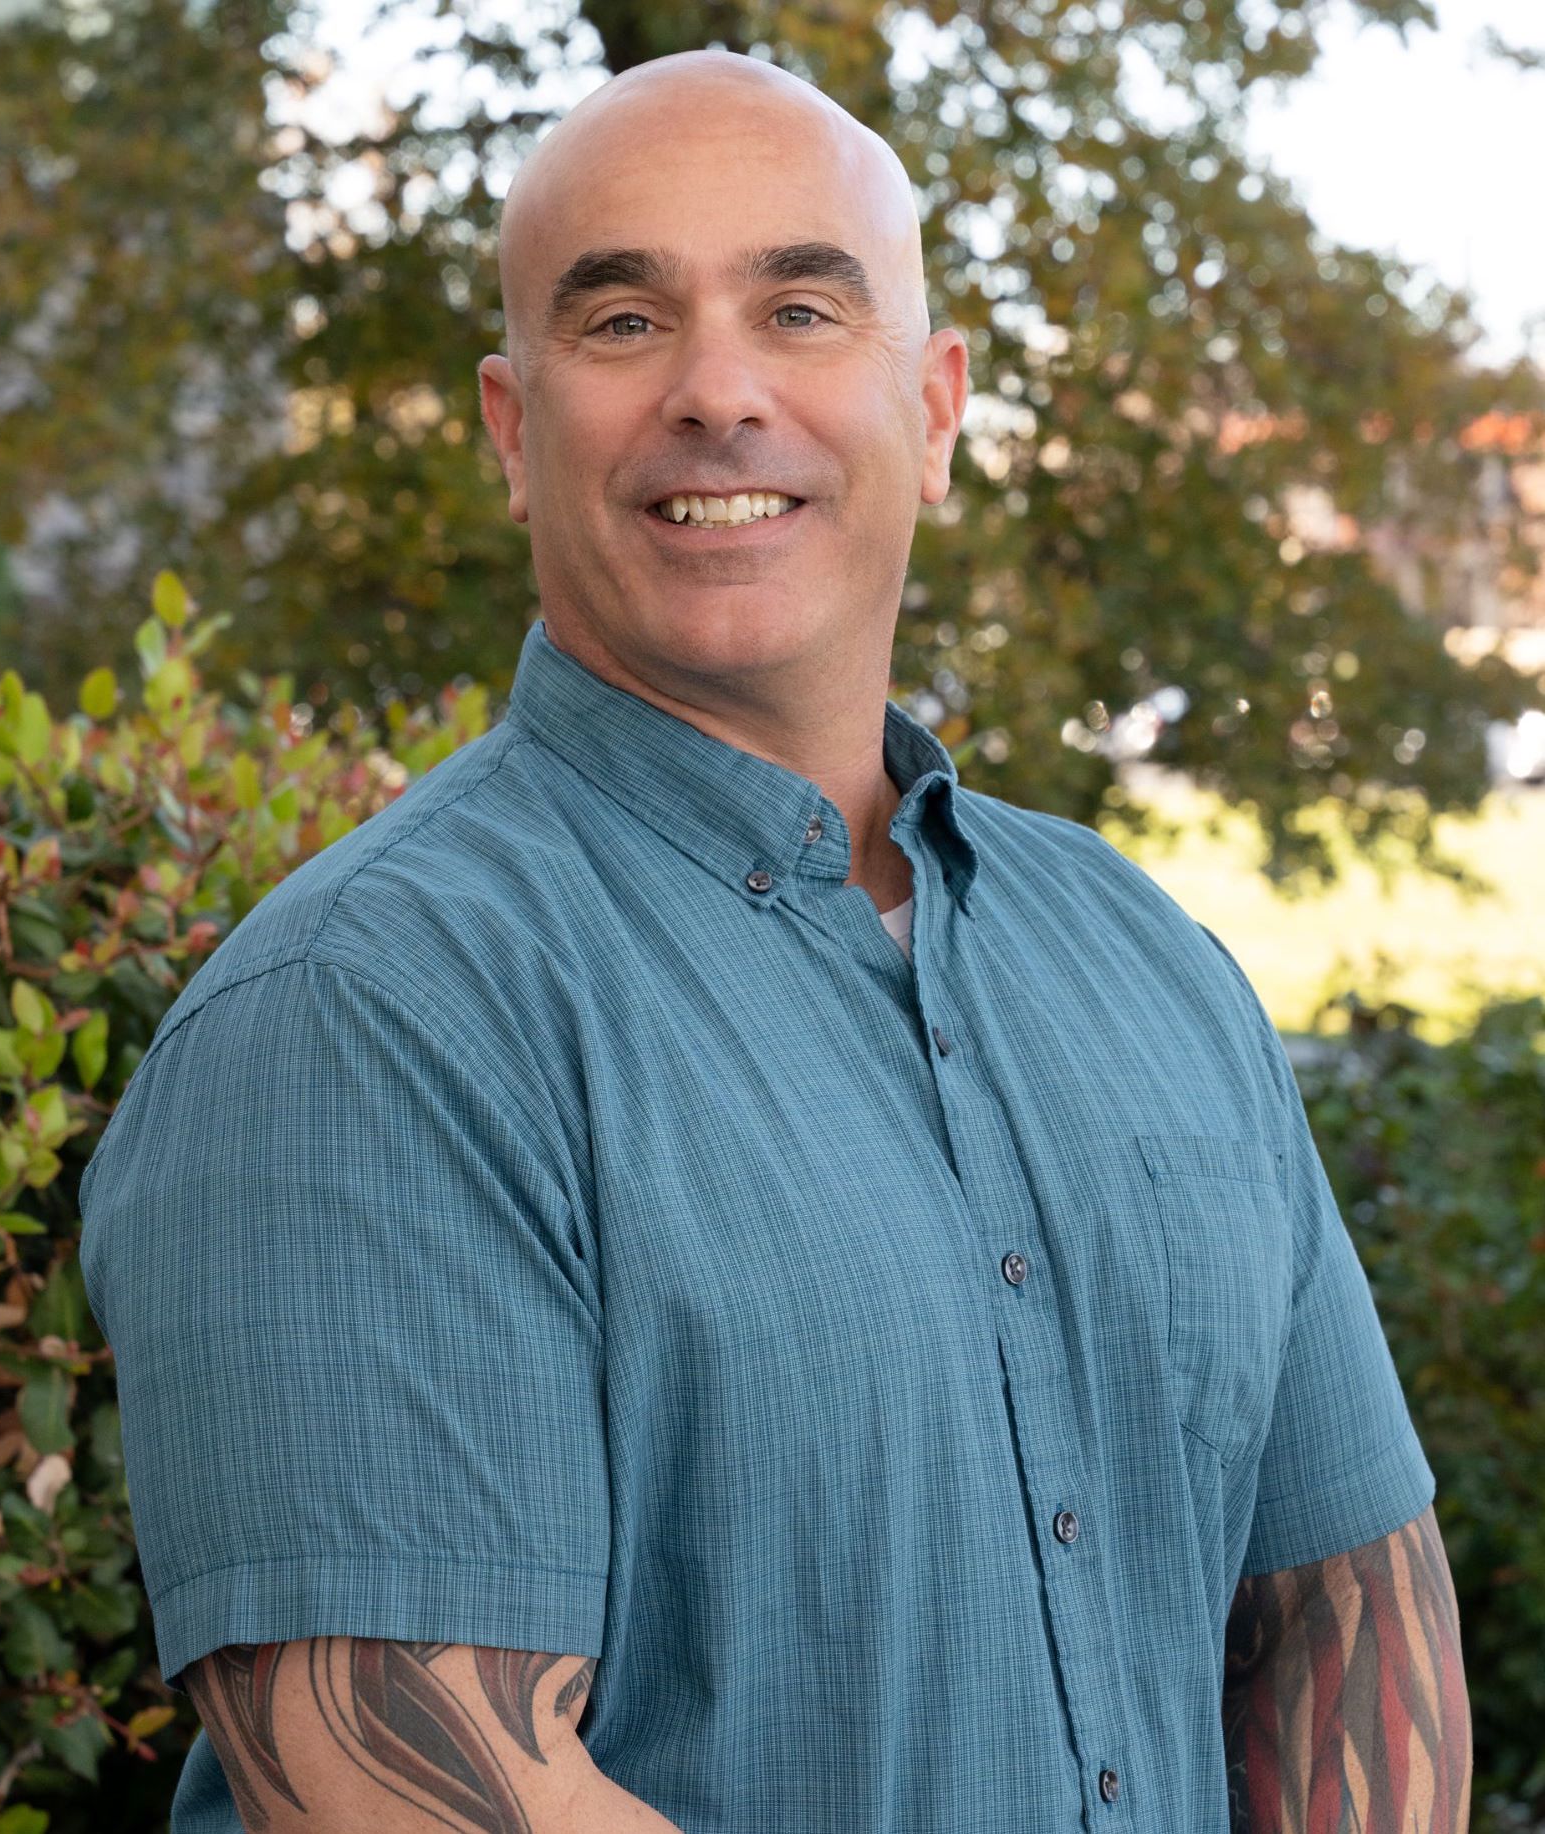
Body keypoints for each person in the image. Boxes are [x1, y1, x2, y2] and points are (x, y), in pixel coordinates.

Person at [77, 46, 1472, 1834]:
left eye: (804, 306)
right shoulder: (364, 1012)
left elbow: (1352, 1622)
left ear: (939, 405)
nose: (719, 391)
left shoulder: (1150, 962)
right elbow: (412, 1787)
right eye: (623, 321)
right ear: (515, 430)